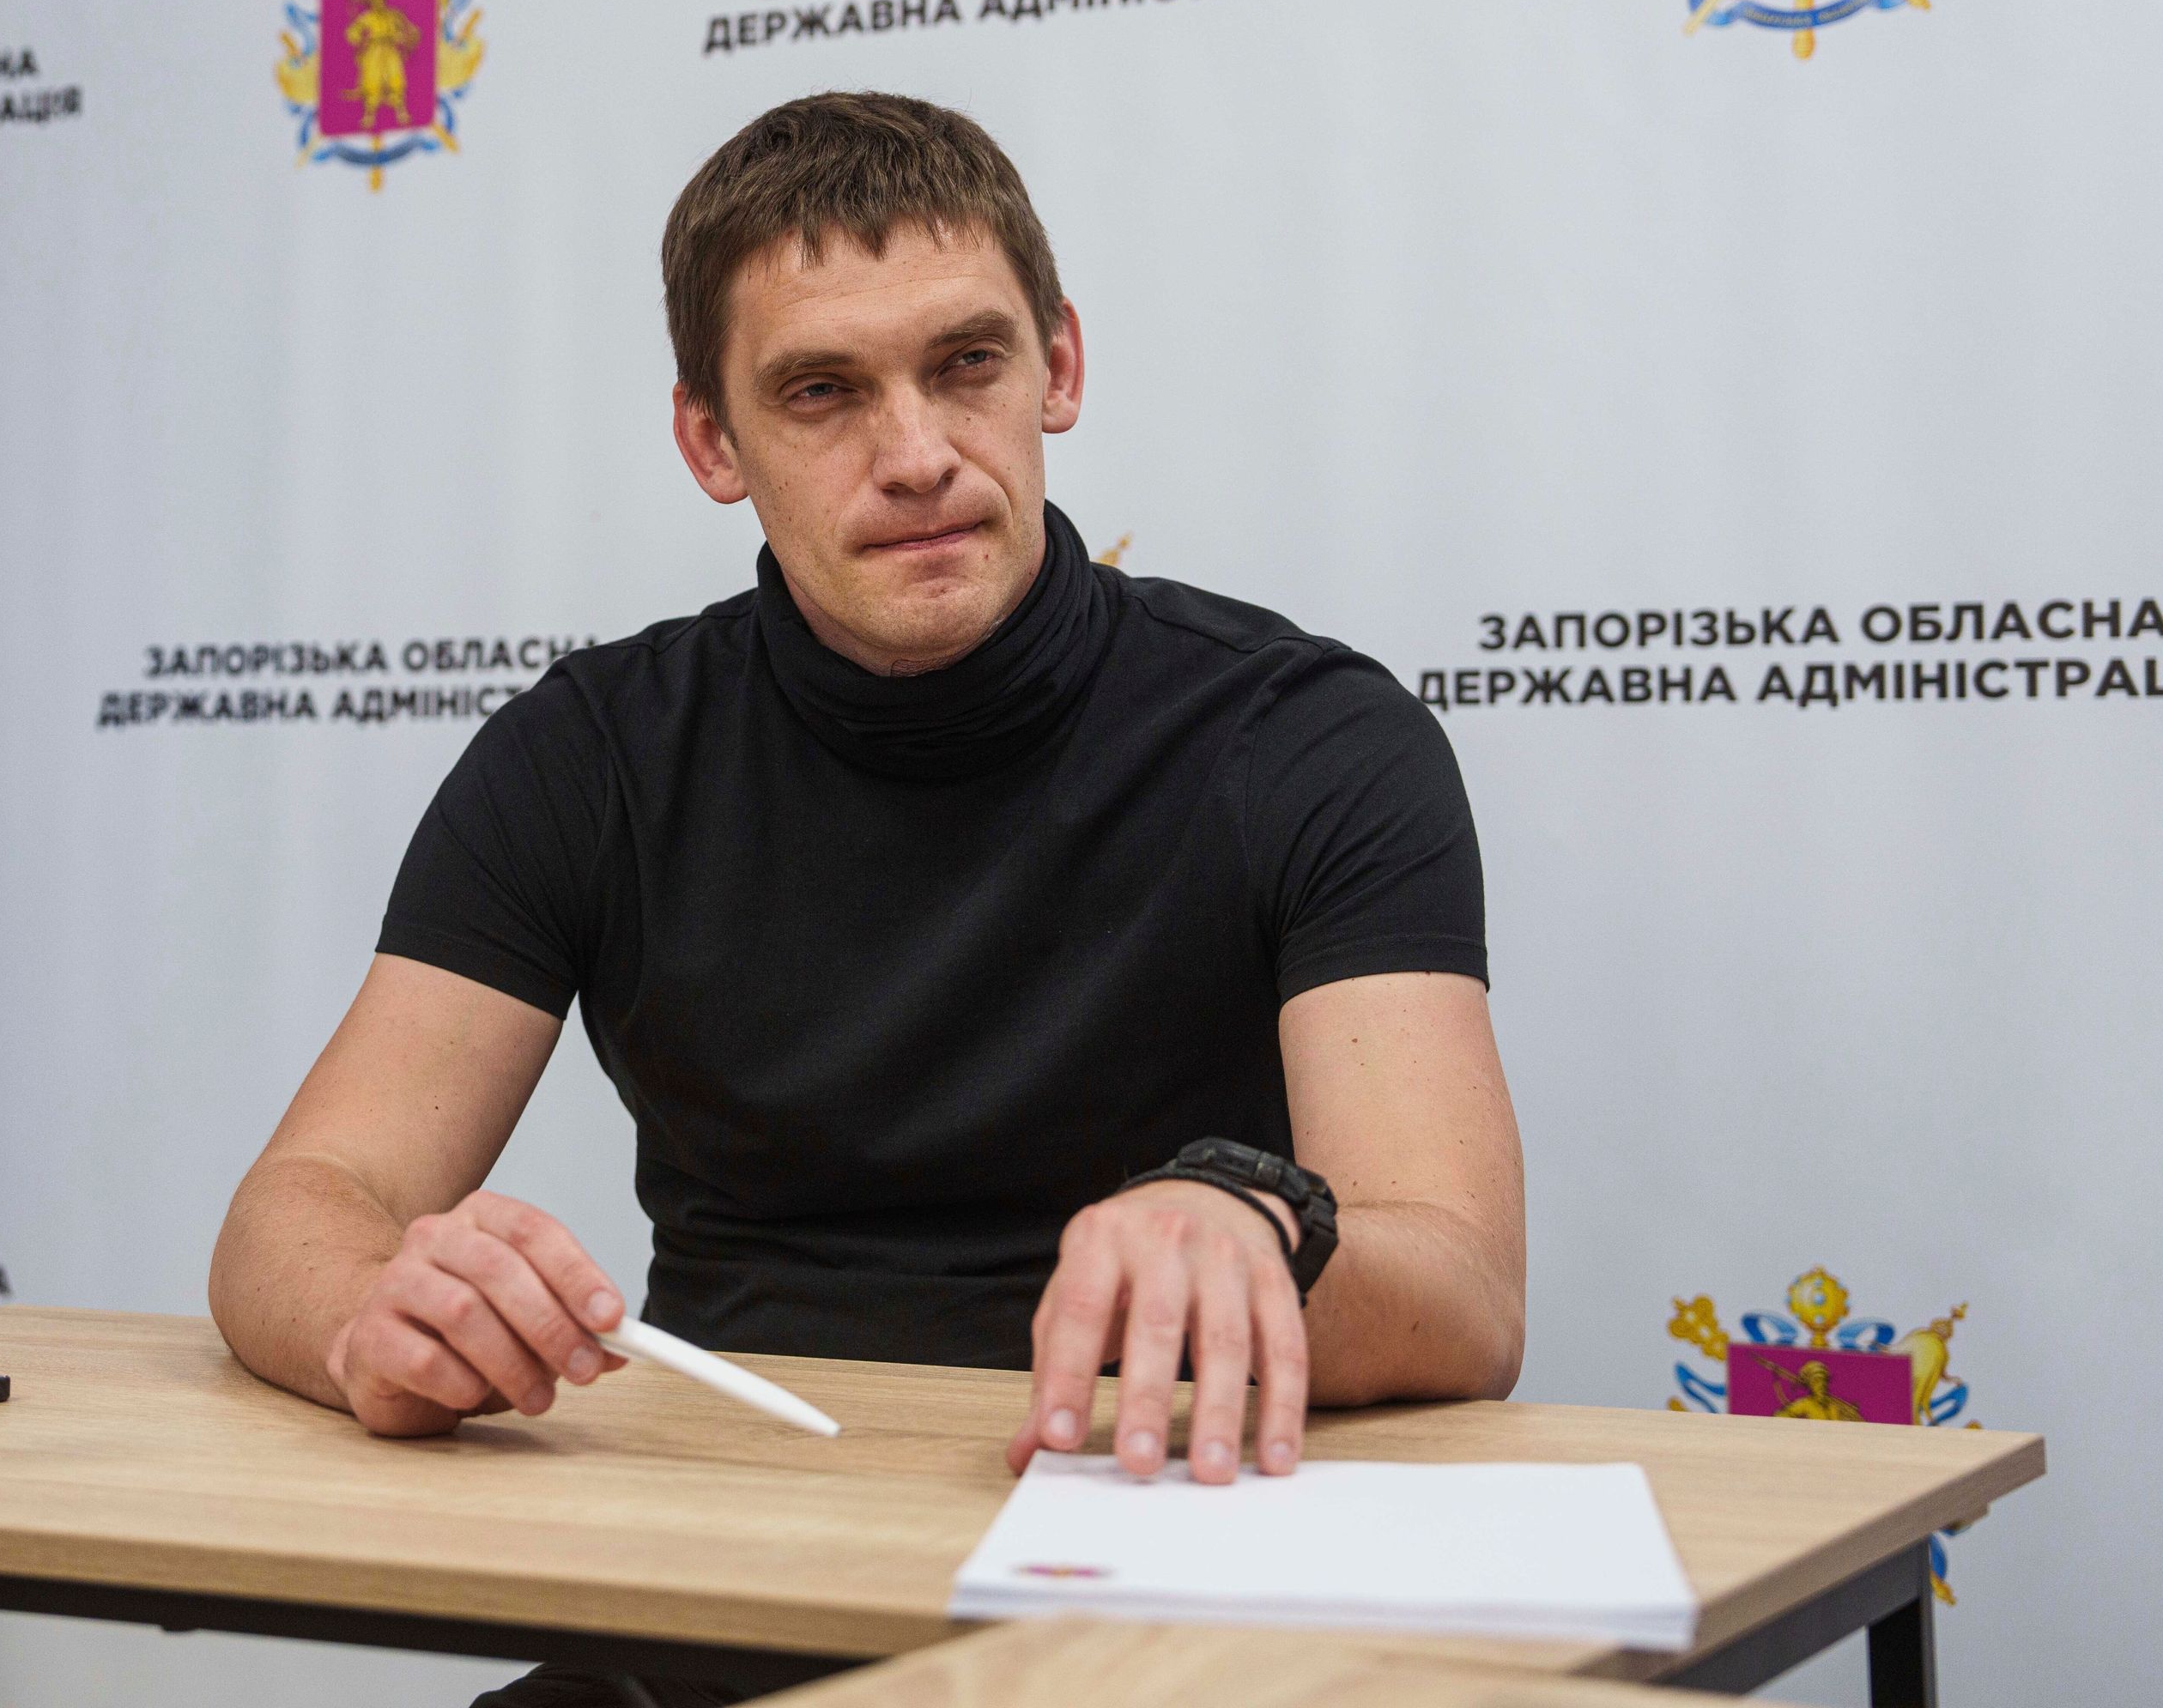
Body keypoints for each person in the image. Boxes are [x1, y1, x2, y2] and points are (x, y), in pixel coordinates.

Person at [209, 94, 1525, 1694]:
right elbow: (301, 1205)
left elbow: (1462, 1289)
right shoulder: (591, 755)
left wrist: (1259, 1222)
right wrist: (374, 1314)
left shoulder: (1309, 737)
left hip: (1160, 1589)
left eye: (966, 364)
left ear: (1061, 368)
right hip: (727, 1581)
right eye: (822, 391)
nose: (916, 457)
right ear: (712, 441)